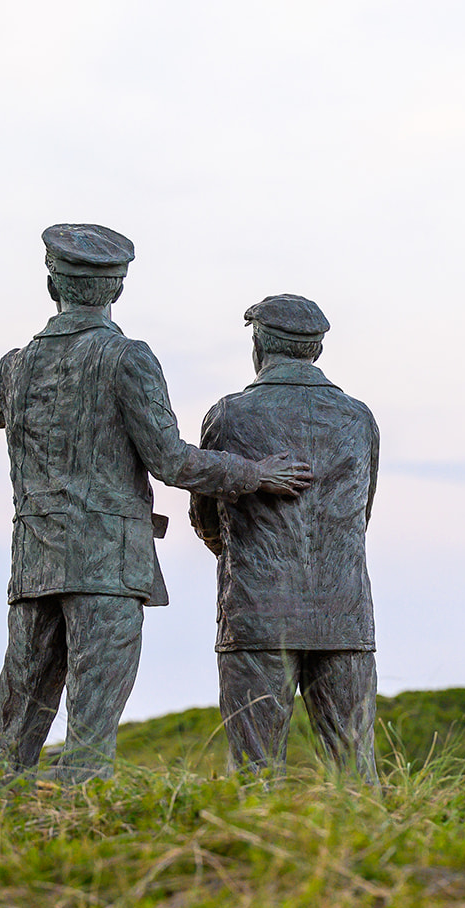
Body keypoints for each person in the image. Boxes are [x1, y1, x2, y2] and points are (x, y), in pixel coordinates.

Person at [0, 224, 312, 783]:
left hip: (36, 565)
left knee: (15, 734)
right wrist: (255, 473)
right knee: (90, 740)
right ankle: (80, 841)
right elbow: (172, 462)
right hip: (107, 566)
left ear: (52, 281)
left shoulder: (19, 366)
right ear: (116, 289)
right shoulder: (127, 359)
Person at [189, 294, 380, 783]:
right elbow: (361, 515)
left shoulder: (230, 415)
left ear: (258, 345)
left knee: (255, 773)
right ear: (316, 350)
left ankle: (257, 856)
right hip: (343, 612)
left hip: (257, 613)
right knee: (355, 773)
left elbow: (204, 514)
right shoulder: (359, 419)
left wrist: (239, 555)